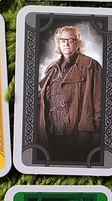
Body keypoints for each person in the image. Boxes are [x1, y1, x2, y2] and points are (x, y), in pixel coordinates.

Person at [37, 26, 102, 164]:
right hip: (50, 134)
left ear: (78, 43)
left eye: (71, 40)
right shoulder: (51, 69)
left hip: (78, 135)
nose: (66, 44)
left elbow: (99, 103)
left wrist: (97, 134)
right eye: (63, 40)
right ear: (58, 43)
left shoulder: (91, 66)